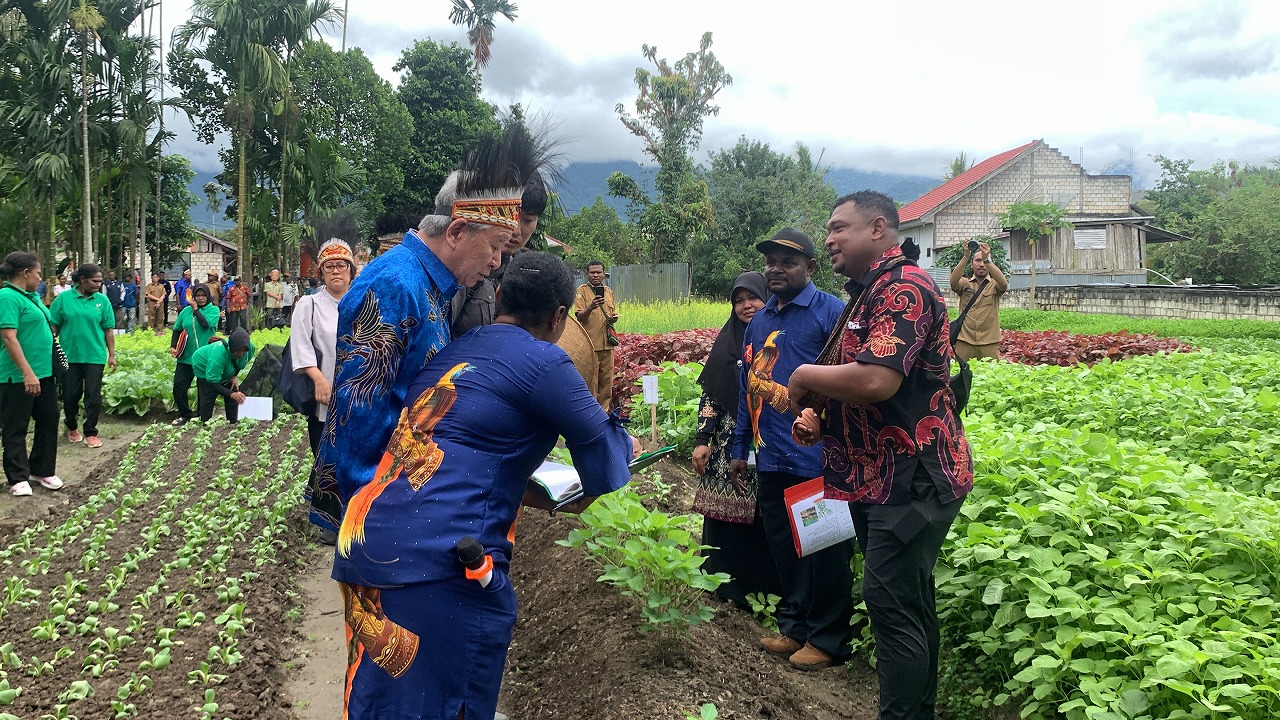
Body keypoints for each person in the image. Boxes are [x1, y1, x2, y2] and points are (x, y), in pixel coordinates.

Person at [332, 251, 637, 720]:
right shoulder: (546, 361)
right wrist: (627, 445)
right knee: (448, 702)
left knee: (382, 701)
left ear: (498, 297)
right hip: (437, 563)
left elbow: (461, 451)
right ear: (560, 316)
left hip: (366, 543)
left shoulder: (455, 350)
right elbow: (603, 463)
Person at [310, 125, 549, 542]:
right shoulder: (395, 285)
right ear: (456, 232)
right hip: (382, 515)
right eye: (494, 246)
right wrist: (387, 516)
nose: (496, 262)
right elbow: (357, 422)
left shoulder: (430, 285)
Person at [789, 191, 974, 720]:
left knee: (892, 607)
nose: (828, 239)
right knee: (908, 604)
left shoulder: (905, 287)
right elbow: (866, 382)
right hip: (883, 477)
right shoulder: (869, 291)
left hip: (913, 479)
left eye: (837, 228)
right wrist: (822, 416)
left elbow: (877, 378)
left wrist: (803, 376)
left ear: (877, 229)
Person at [727, 227, 853, 671]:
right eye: (771, 262)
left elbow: (850, 383)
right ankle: (795, 626)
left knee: (824, 547)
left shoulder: (830, 313)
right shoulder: (760, 321)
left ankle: (829, 638)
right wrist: (739, 445)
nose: (776, 269)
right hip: (772, 455)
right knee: (786, 546)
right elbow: (750, 391)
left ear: (810, 268)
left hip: (815, 459)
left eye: (788, 262)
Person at [691, 271, 782, 609]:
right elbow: (711, 395)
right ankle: (724, 585)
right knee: (725, 517)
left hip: (770, 439)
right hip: (729, 441)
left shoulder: (777, 340)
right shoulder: (728, 341)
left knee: (764, 517)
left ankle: (766, 589)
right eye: (739, 301)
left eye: (752, 298)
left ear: (766, 299)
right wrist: (703, 438)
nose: (746, 306)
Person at [293, 239, 357, 543]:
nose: (336, 272)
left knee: (351, 452)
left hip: (356, 391)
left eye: (341, 266)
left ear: (351, 271)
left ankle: (350, 516)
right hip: (324, 392)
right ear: (321, 272)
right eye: (330, 267)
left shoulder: (360, 301)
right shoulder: (310, 304)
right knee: (325, 454)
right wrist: (318, 378)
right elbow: (301, 345)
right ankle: (328, 523)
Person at [450, 176, 549, 337]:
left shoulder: (531, 275)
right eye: (509, 215)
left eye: (527, 220)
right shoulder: (462, 268)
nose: (515, 229)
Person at [0, 252, 64, 496]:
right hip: (17, 375)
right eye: (37, 273)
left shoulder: (32, 298)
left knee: (48, 419)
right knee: (16, 425)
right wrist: (27, 372)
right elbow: (8, 337)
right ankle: (17, 476)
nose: (40, 278)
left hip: (44, 372)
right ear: (25, 273)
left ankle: (41, 469)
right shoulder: (7, 297)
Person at [50, 263, 117, 449]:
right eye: (95, 281)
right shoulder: (64, 299)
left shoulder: (102, 301)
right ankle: (71, 426)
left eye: (100, 281)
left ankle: (90, 431)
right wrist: (51, 348)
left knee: (93, 396)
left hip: (94, 355)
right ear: (82, 280)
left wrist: (112, 355)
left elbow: (108, 330)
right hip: (69, 356)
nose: (98, 284)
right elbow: (53, 326)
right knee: (70, 394)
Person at [949, 240, 1008, 361]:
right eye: (977, 260)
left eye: (984, 261)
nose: (981, 264)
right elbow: (953, 282)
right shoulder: (965, 284)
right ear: (972, 264)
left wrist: (988, 259)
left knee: (991, 377)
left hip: (989, 342)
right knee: (962, 376)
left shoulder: (994, 285)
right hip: (964, 340)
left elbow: (1003, 284)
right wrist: (966, 256)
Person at [170, 285, 221, 425]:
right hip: (186, 357)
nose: (201, 298)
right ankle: (185, 414)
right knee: (179, 387)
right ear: (193, 297)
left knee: (203, 389)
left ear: (208, 296)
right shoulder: (185, 311)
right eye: (198, 295)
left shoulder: (213, 310)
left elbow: (205, 325)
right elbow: (177, 329)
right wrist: (173, 346)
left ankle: (202, 417)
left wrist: (196, 310)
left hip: (205, 358)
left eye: (203, 295)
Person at [573, 260, 618, 410]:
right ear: (587, 274)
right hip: (590, 344)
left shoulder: (608, 292)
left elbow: (611, 314)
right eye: (592, 272)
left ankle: (604, 413)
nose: (595, 275)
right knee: (591, 382)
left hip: (608, 344)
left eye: (599, 272)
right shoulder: (582, 291)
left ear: (604, 274)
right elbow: (579, 316)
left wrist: (614, 318)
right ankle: (592, 413)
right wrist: (591, 306)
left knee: (607, 382)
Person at [192, 327, 255, 423]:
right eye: (238, 351)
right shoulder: (218, 355)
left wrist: (233, 376)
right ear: (232, 347)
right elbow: (212, 383)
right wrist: (232, 394)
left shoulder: (250, 349)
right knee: (208, 396)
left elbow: (238, 365)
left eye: (244, 350)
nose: (241, 354)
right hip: (203, 366)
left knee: (233, 392)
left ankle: (233, 423)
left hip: (224, 367)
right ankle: (205, 422)